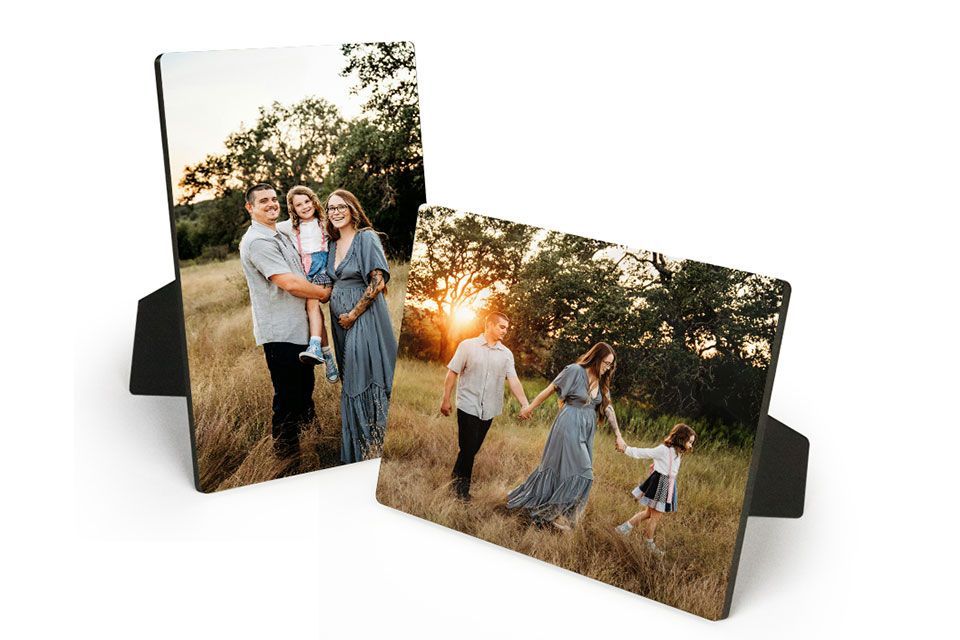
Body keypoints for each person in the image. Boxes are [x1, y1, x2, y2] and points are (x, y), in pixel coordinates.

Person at [237, 183, 332, 458]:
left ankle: (314, 450)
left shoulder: (279, 234)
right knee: (288, 400)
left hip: (297, 329)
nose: (271, 204)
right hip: (279, 332)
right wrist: (322, 293)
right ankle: (285, 460)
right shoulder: (257, 241)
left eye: (273, 199)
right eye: (263, 201)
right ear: (250, 207)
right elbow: (289, 283)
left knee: (304, 395)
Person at [507, 342, 627, 530]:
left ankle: (558, 519)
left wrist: (618, 436)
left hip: (586, 430)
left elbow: (608, 408)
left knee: (566, 471)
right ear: (596, 358)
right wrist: (529, 407)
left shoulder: (602, 381)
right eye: (606, 362)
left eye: (611, 364)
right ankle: (554, 515)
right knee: (585, 473)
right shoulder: (574, 370)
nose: (608, 367)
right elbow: (550, 389)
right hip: (569, 423)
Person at [325, 189, 398, 463]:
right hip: (340, 323)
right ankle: (363, 447)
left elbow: (378, 282)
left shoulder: (366, 237)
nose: (336, 212)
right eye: (331, 208)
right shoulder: (331, 245)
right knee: (350, 378)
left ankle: (374, 445)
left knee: (362, 377)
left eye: (341, 206)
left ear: (353, 208)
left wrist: (353, 315)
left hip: (363, 318)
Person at [440, 312, 530, 501]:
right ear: (489, 325)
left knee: (470, 449)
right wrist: (445, 399)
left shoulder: (506, 354)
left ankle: (454, 483)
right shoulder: (467, 346)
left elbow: (513, 380)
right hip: (468, 405)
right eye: (502, 327)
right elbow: (452, 373)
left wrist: (525, 404)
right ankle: (461, 493)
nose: (505, 331)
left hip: (489, 409)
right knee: (468, 448)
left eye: (507, 328)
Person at [276, 185, 339, 382]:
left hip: (321, 271)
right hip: (304, 273)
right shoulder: (289, 227)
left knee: (312, 307)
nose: (304, 206)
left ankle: (314, 346)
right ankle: (327, 356)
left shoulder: (324, 222)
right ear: (292, 209)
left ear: (313, 201)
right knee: (314, 313)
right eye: (298, 205)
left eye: (307, 201)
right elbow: (269, 228)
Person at [614, 423, 697, 556]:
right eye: (690, 442)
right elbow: (644, 452)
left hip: (667, 484)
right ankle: (648, 544)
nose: (691, 445)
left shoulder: (677, 452)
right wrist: (625, 449)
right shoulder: (664, 449)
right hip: (661, 485)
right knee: (655, 518)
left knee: (648, 514)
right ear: (682, 438)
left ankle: (622, 529)